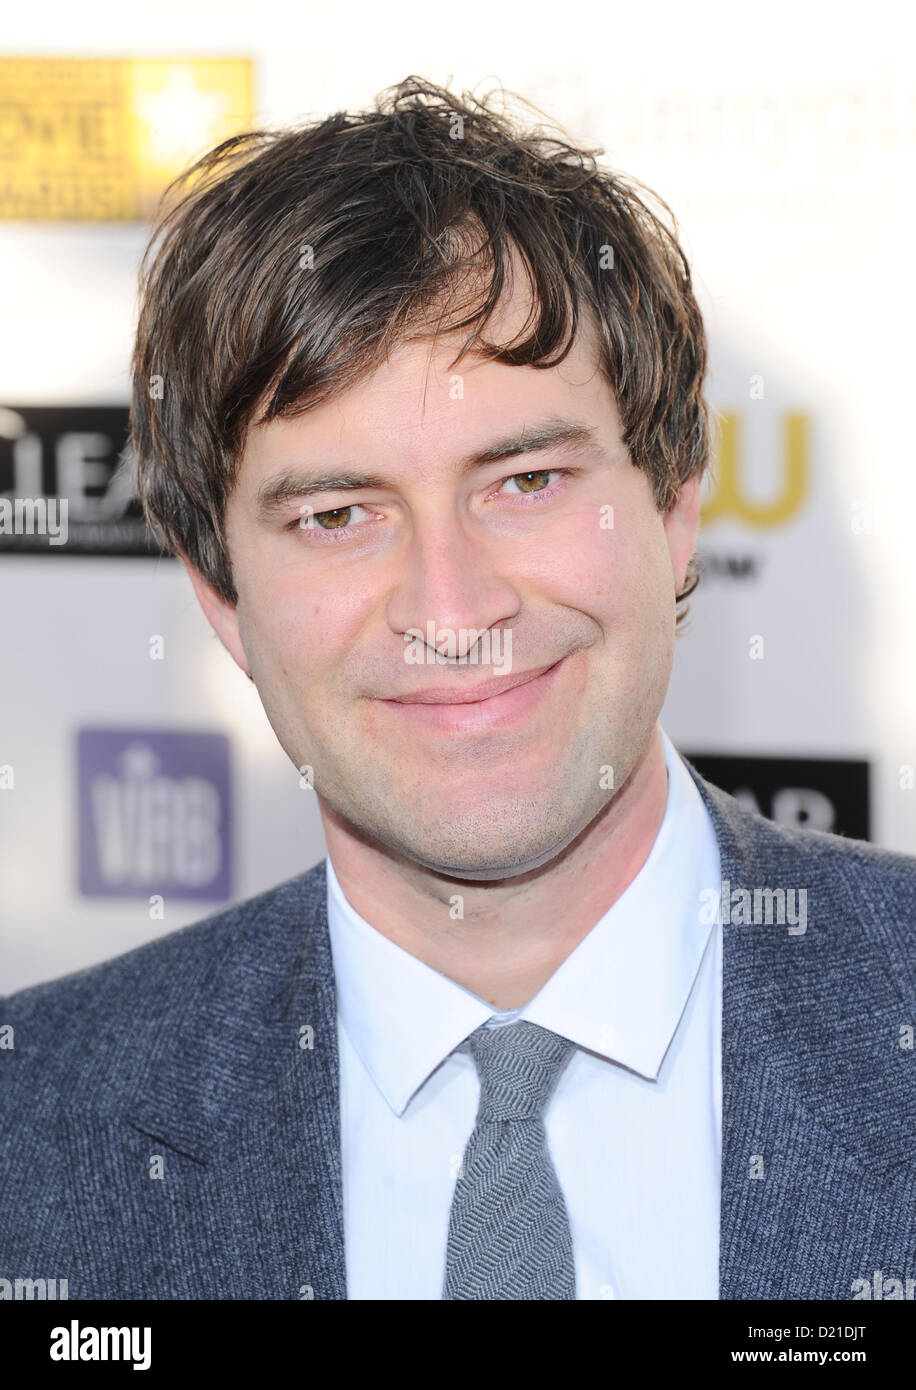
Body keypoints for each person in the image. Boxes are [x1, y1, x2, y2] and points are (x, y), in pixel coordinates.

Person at [2, 76, 914, 1302]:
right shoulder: (35, 1128)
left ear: (678, 501)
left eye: (524, 481)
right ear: (223, 599)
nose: (450, 606)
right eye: (336, 514)